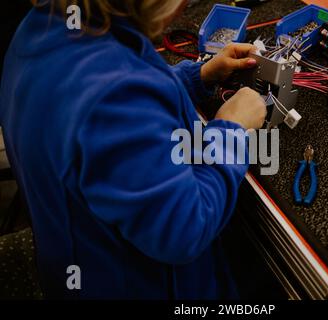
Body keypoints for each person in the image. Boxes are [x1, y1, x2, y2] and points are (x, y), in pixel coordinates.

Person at [0, 0, 267, 299]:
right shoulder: (113, 96)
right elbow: (184, 229)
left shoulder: (43, 25)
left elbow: (110, 95)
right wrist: (232, 130)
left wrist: (196, 77)